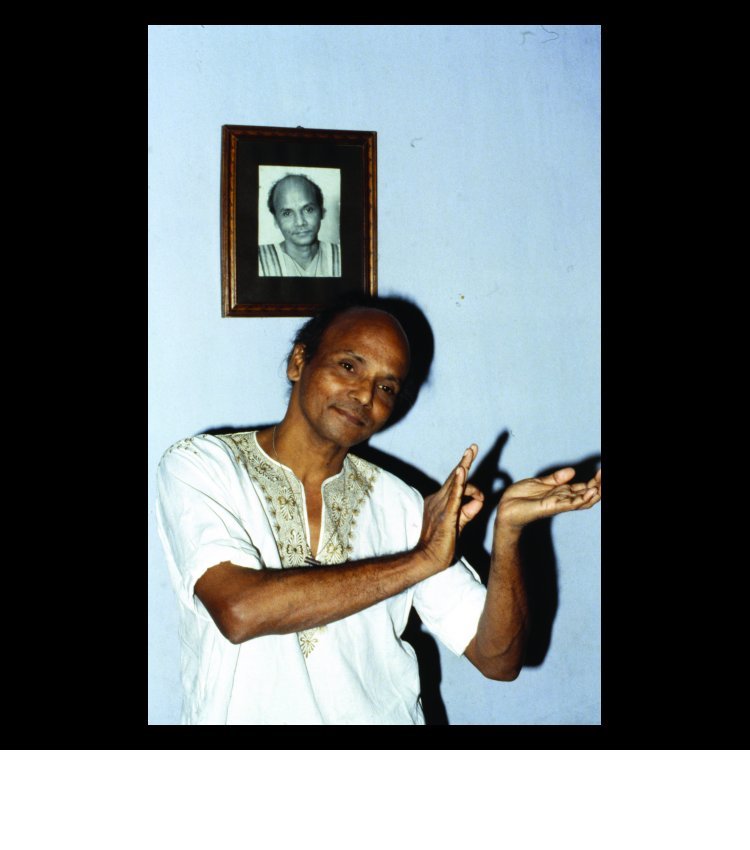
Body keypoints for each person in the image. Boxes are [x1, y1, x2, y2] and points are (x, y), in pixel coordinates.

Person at [156, 298, 601, 724]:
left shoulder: (400, 503)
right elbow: (239, 611)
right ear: (298, 362)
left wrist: (509, 533)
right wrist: (421, 559)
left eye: (387, 387)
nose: (365, 394)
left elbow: (498, 660)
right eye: (349, 366)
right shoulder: (202, 465)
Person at [258, 173, 341, 277]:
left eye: (308, 210)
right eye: (287, 213)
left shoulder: (342, 256)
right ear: (276, 220)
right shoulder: (259, 260)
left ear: (322, 212)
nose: (300, 222)